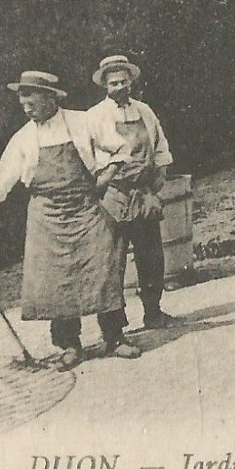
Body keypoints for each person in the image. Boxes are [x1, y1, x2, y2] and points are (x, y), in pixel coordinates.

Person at [0, 71, 134, 370]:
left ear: (51, 97)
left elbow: (121, 148)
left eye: (32, 99)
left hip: (86, 209)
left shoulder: (83, 122)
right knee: (57, 280)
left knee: (103, 267)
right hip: (47, 217)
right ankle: (69, 345)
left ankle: (115, 337)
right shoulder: (23, 139)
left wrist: (104, 179)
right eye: (22, 100)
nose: (26, 106)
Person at [86, 54, 175, 331]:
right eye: (114, 83)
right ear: (105, 85)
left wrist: (159, 177)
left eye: (124, 81)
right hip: (114, 195)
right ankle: (113, 327)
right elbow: (88, 156)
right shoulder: (95, 117)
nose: (120, 87)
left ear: (131, 81)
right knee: (112, 260)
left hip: (144, 193)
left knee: (151, 255)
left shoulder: (145, 111)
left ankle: (153, 311)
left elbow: (160, 146)